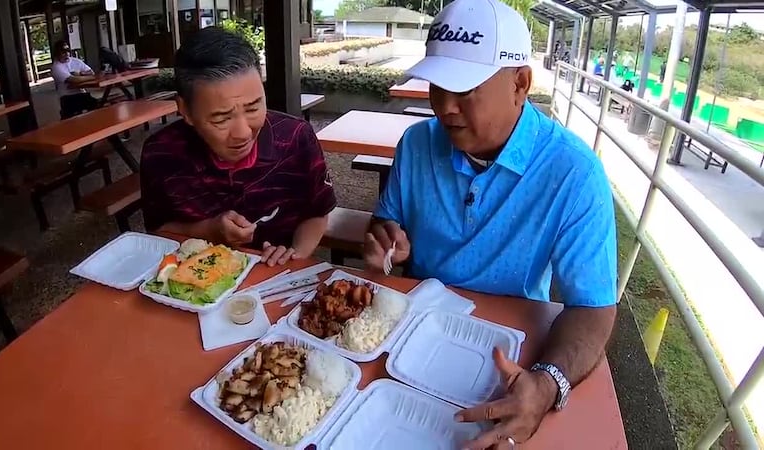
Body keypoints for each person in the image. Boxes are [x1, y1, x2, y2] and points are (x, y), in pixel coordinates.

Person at [362, 0, 618, 447]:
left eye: (464, 90)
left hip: (510, 354)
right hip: (412, 341)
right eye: (437, 87)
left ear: (520, 83)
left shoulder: (574, 173)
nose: (444, 108)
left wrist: (547, 383)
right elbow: (387, 220)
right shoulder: (417, 144)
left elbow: (593, 308)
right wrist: (385, 237)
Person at [140, 27, 336, 267]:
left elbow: (317, 211)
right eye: (221, 119)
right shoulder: (161, 154)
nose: (243, 133)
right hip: (198, 283)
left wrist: (294, 254)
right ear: (185, 110)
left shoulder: (296, 137)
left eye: (253, 108)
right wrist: (210, 231)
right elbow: (159, 231)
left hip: (277, 275)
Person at [50, 40, 98, 119]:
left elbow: (90, 72)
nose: (66, 54)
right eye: (63, 52)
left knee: (95, 103)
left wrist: (80, 74)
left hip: (81, 93)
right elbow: (73, 80)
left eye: (68, 51)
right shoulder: (56, 67)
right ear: (57, 54)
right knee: (92, 103)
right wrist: (92, 77)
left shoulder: (75, 61)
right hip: (67, 97)